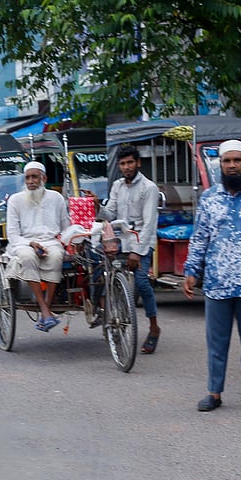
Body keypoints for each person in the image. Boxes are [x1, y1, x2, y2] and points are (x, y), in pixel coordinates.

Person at [183, 139, 241, 412]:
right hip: (216, 282)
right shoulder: (209, 198)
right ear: (220, 164)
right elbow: (200, 238)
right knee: (216, 342)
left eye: (237, 160)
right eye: (227, 161)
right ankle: (214, 393)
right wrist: (191, 272)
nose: (232, 165)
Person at [101, 145, 161, 352]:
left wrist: (137, 252)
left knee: (142, 283)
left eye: (130, 163)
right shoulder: (117, 186)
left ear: (138, 163)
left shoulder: (149, 188)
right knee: (102, 275)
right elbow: (109, 213)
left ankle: (154, 328)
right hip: (119, 241)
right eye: (123, 164)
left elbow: (149, 224)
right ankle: (110, 319)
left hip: (141, 242)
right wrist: (95, 205)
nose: (127, 167)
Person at [4, 161, 69, 332]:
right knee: (27, 256)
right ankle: (45, 310)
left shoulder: (56, 198)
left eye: (35, 177)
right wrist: (30, 243)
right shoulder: (15, 200)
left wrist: (70, 241)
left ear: (44, 178)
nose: (31, 181)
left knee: (56, 256)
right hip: (23, 243)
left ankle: (44, 312)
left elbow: (65, 226)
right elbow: (12, 235)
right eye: (27, 177)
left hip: (51, 242)